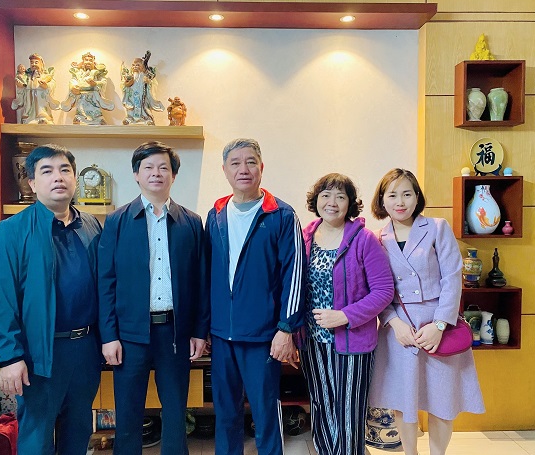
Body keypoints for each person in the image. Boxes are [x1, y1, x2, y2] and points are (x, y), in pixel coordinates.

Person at [0, 144, 102, 454]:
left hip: (85, 350)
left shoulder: (90, 225)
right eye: (47, 171)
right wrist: (9, 358)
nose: (58, 177)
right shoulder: (12, 230)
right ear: (33, 183)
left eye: (65, 170)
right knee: (37, 438)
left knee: (78, 432)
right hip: (39, 354)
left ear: (74, 179)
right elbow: (0, 299)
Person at [98, 141, 209, 455]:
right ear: (136, 174)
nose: (156, 173)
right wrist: (109, 336)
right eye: (148, 167)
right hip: (130, 333)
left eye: (163, 167)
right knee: (128, 410)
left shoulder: (191, 222)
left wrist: (199, 331)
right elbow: (105, 282)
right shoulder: (117, 221)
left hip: (174, 332)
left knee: (175, 410)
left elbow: (201, 282)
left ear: (174, 175)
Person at [368, 168, 485, 455]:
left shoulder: (436, 227)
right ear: (381, 200)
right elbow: (377, 288)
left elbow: (452, 278)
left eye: (407, 194)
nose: (400, 201)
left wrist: (440, 324)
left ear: (417, 197)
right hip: (400, 329)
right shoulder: (377, 238)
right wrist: (394, 323)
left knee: (442, 402)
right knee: (402, 401)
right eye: (392, 195)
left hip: (437, 324)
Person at [205, 138, 306, 454]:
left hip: (263, 336)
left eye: (250, 162)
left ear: (261, 168)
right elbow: (207, 274)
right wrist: (204, 327)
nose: (243, 169)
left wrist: (286, 328)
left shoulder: (281, 215)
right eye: (235, 163)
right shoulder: (216, 214)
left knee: (265, 414)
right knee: (225, 413)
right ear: (225, 170)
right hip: (222, 335)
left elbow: (295, 275)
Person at [300, 173, 394, 455]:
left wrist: (345, 316)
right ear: (316, 200)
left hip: (352, 341)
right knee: (321, 406)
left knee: (348, 413)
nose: (332, 202)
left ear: (350, 204)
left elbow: (383, 291)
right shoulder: (304, 237)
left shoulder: (364, 240)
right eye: (326, 195)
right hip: (312, 341)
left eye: (340, 197)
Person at [61, 52, 114, 125]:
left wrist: (95, 83)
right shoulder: (78, 73)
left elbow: (103, 81)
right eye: (86, 60)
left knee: (95, 105)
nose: (88, 62)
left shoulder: (97, 73)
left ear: (93, 62)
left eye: (90, 60)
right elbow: (73, 80)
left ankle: (97, 118)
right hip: (81, 95)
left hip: (94, 94)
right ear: (83, 62)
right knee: (81, 106)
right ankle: (80, 117)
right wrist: (73, 87)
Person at [11, 53, 60, 124]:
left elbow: (52, 84)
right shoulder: (27, 77)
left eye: (36, 62)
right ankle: (28, 119)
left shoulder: (46, 76)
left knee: (42, 109)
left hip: (41, 100)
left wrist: (46, 86)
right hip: (30, 100)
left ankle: (43, 118)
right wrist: (20, 86)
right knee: (28, 109)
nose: (33, 64)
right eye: (31, 63)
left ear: (41, 64)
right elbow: (22, 86)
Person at [120, 51, 165, 125]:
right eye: (133, 65)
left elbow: (153, 83)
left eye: (137, 65)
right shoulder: (131, 76)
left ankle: (146, 118)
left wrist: (149, 82)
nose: (135, 67)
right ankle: (130, 118)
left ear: (142, 66)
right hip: (132, 96)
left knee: (144, 107)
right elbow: (124, 85)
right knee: (131, 107)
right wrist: (126, 85)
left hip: (143, 96)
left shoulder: (144, 75)